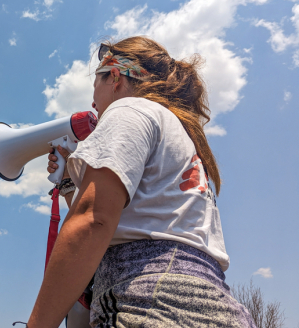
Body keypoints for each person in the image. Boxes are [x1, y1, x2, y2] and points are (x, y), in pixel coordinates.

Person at [26, 36, 256, 328]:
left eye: (96, 84)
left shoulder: (130, 109)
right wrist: (71, 183)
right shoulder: (181, 136)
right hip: (214, 306)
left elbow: (93, 222)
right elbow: (126, 223)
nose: (93, 100)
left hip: (147, 302)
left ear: (115, 77)